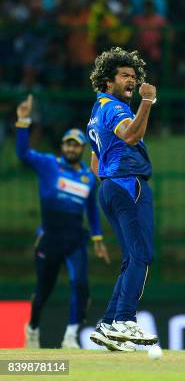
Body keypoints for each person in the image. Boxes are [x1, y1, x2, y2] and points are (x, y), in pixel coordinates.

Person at [16, 95, 110, 349]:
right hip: (49, 238)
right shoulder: (49, 164)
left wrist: (97, 238)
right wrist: (23, 120)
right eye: (67, 144)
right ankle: (32, 328)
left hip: (75, 239)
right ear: (62, 146)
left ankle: (70, 336)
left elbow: (91, 209)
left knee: (80, 284)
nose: (71, 148)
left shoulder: (87, 177)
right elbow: (23, 154)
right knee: (44, 290)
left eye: (76, 145)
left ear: (81, 149)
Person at [86, 47, 158, 350]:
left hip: (111, 186)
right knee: (141, 254)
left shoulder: (96, 111)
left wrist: (110, 183)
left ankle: (107, 324)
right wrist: (147, 101)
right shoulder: (114, 107)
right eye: (124, 75)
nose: (131, 80)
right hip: (128, 183)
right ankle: (125, 321)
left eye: (134, 76)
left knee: (132, 256)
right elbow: (131, 136)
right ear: (108, 81)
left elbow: (94, 163)